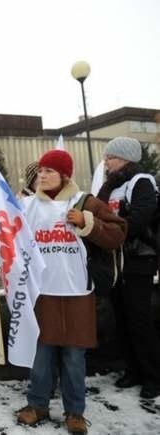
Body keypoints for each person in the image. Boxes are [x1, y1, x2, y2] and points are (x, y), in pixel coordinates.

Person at [16, 149, 126, 434]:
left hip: (77, 291)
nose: (42, 175)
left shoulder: (85, 202)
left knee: (74, 355)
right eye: (40, 171)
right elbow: (6, 230)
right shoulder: (27, 205)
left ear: (65, 176)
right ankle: (37, 404)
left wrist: (88, 224)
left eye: (49, 171)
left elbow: (118, 233)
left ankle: (75, 412)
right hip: (43, 292)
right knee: (42, 352)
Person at [96, 137, 160, 399]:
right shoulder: (109, 186)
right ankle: (133, 370)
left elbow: (141, 217)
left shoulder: (140, 182)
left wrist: (111, 232)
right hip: (115, 262)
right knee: (122, 319)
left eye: (110, 157)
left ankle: (153, 376)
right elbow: (99, 213)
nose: (106, 162)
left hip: (137, 261)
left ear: (124, 158)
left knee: (140, 320)